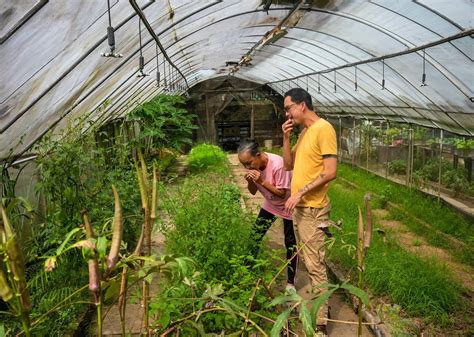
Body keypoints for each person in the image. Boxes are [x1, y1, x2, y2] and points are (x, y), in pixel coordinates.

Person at [281, 88, 337, 337]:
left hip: (313, 208)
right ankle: (322, 310)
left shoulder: (323, 129)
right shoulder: (304, 133)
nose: (287, 113)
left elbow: (330, 171)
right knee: (309, 262)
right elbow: (288, 164)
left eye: (288, 108)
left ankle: (322, 323)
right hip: (302, 209)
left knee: (315, 265)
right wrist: (285, 138)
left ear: (302, 105)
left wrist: (299, 192)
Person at [237, 139, 298, 292]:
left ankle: (291, 283)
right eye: (244, 165)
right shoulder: (254, 167)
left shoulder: (278, 165)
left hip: (288, 206)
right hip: (270, 205)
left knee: (290, 243)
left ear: (258, 156)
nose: (247, 167)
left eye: (249, 163)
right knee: (255, 236)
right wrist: (251, 181)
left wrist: (262, 181)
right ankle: (247, 272)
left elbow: (281, 194)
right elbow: (252, 192)